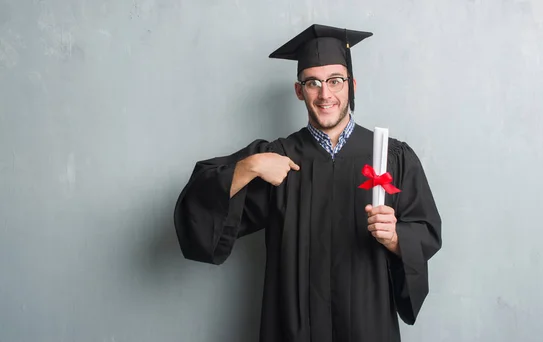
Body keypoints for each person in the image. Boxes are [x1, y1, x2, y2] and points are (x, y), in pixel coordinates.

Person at [173, 24, 442, 342]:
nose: (325, 94)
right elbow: (199, 208)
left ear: (351, 86)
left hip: (367, 326)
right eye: (313, 82)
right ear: (299, 90)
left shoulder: (391, 157)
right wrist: (251, 165)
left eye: (335, 81)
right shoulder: (277, 157)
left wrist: (397, 238)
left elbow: (425, 232)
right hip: (293, 327)